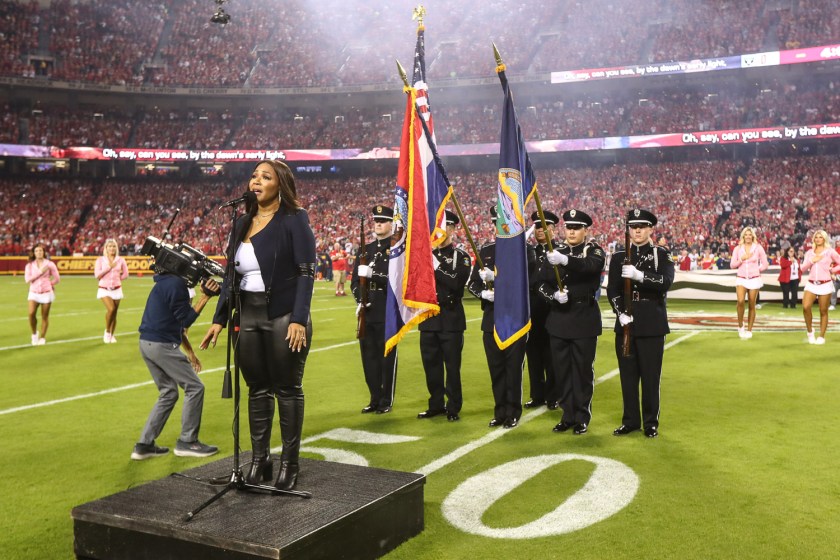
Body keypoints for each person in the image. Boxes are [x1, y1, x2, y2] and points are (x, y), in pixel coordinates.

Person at [200, 160, 316, 490]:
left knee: (288, 389)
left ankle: (289, 465)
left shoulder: (295, 218)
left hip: (282, 313)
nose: (257, 181)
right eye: (254, 176)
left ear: (281, 185)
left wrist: (298, 319)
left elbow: (307, 271)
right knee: (257, 390)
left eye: (266, 176)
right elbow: (229, 276)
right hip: (247, 315)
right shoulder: (241, 221)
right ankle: (259, 460)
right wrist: (219, 319)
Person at [132, 270, 221, 461]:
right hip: (161, 345)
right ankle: (187, 442)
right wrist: (206, 297)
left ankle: (144, 445)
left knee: (169, 392)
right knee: (195, 388)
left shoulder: (166, 283)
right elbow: (186, 320)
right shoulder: (176, 285)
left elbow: (177, 326)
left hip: (146, 343)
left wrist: (190, 353)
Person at [607, 209, 674, 438]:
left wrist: (640, 276)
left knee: (650, 375)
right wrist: (620, 313)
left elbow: (666, 282)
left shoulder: (661, 255)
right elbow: (613, 290)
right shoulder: (618, 257)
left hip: (651, 322)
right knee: (627, 375)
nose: (637, 230)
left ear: (650, 229)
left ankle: (650, 422)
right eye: (633, 226)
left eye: (642, 226)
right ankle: (630, 421)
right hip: (626, 322)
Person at [537, 209, 605, 435]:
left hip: (584, 318)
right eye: (569, 227)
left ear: (586, 230)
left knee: (582, 371)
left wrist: (565, 260)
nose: (572, 231)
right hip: (559, 318)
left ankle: (582, 416)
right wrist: (553, 296)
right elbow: (541, 284)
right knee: (562, 370)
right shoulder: (554, 251)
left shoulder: (593, 250)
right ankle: (567, 415)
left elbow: (590, 267)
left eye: (577, 228)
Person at [467, 206, 531, 429]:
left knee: (513, 369)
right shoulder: (486, 250)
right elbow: (472, 284)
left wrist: (499, 283)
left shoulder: (523, 250)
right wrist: (483, 292)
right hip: (491, 318)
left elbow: (527, 285)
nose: (499, 225)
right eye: (496, 221)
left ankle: (513, 411)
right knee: (496, 368)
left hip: (514, 318)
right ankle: (500, 410)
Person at [417, 210, 471, 422]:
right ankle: (436, 404)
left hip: (451, 319)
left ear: (453, 229)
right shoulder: (425, 257)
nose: (441, 230)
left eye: (446, 226)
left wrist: (435, 265)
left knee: (451, 366)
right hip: (429, 318)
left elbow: (456, 283)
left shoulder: (461, 257)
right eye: (438, 226)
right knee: (431, 365)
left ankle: (453, 406)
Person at [351, 204, 397, 414]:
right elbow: (354, 282)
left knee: (386, 358)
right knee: (368, 357)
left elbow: (397, 282)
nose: (378, 224)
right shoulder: (366, 250)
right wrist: (360, 299)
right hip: (367, 311)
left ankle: (386, 399)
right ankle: (374, 398)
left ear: (391, 224)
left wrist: (374, 276)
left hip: (386, 310)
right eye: (376, 221)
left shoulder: (396, 250)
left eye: (383, 221)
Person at [525, 210, 559, 410]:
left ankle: (553, 395)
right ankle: (537, 395)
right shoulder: (528, 252)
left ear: (553, 229)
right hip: (532, 310)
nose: (540, 230)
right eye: (537, 227)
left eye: (545, 227)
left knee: (551, 355)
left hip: (552, 309)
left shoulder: (559, 252)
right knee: (534, 355)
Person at [800, 230, 840, 345]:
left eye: (820, 237)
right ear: (813, 239)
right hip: (811, 283)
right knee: (806, 307)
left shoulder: (830, 252)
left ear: (824, 239)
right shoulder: (809, 253)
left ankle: (821, 336)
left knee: (823, 311)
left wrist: (832, 270)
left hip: (825, 283)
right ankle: (810, 331)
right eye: (816, 237)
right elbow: (802, 269)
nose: (818, 239)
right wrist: (812, 261)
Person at [729, 226, 769, 339]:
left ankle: (749, 329)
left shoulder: (758, 248)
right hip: (741, 278)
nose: (748, 237)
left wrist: (757, 270)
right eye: (746, 235)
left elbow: (765, 264)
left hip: (754, 279)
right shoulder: (738, 249)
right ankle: (741, 326)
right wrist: (742, 258)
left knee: (752, 303)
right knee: (740, 301)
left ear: (752, 236)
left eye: (749, 235)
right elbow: (732, 265)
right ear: (743, 236)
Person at [94, 238, 130, 343]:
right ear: (106, 248)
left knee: (114, 313)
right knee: (111, 309)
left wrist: (118, 279)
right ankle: (107, 331)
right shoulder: (100, 260)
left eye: (114, 246)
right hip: (104, 289)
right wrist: (108, 268)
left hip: (117, 289)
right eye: (109, 246)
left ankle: (112, 335)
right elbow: (97, 275)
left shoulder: (120, 260)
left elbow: (126, 274)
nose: (112, 248)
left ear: (116, 248)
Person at [24, 243, 60, 346]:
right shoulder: (30, 265)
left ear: (44, 252)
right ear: (33, 253)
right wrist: (40, 272)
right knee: (31, 314)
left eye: (40, 251)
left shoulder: (50, 264)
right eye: (36, 251)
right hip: (33, 293)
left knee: (45, 316)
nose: (39, 252)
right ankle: (34, 333)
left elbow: (57, 278)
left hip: (46, 293)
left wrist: (50, 284)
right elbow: (27, 279)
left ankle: (42, 337)